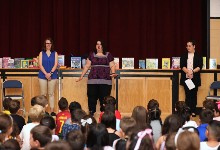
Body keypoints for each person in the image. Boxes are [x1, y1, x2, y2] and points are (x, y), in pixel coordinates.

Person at [76, 39, 117, 115]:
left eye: (100, 44)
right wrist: (82, 76)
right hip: (92, 81)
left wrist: (113, 73)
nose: (98, 46)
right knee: (91, 97)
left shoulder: (108, 55)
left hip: (105, 81)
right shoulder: (91, 55)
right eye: (97, 44)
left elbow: (112, 65)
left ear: (103, 46)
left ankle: (104, 113)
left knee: (104, 98)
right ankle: (91, 112)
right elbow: (87, 66)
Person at [180, 40, 203, 117]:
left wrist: (192, 72)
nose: (188, 47)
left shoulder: (198, 56)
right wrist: (188, 72)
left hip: (195, 78)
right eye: (187, 46)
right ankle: (188, 111)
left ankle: (193, 111)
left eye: (189, 46)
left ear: (194, 46)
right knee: (188, 95)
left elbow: (200, 66)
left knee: (194, 95)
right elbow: (182, 66)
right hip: (186, 78)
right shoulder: (183, 55)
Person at [38, 37, 58, 116]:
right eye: (47, 43)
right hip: (42, 75)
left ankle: (52, 111)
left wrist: (50, 73)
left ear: (51, 44)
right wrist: (46, 74)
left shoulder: (55, 53)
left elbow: (55, 64)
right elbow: (40, 65)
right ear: (45, 44)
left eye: (49, 43)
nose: (48, 45)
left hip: (52, 76)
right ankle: (43, 111)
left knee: (51, 93)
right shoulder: (41, 53)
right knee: (43, 94)